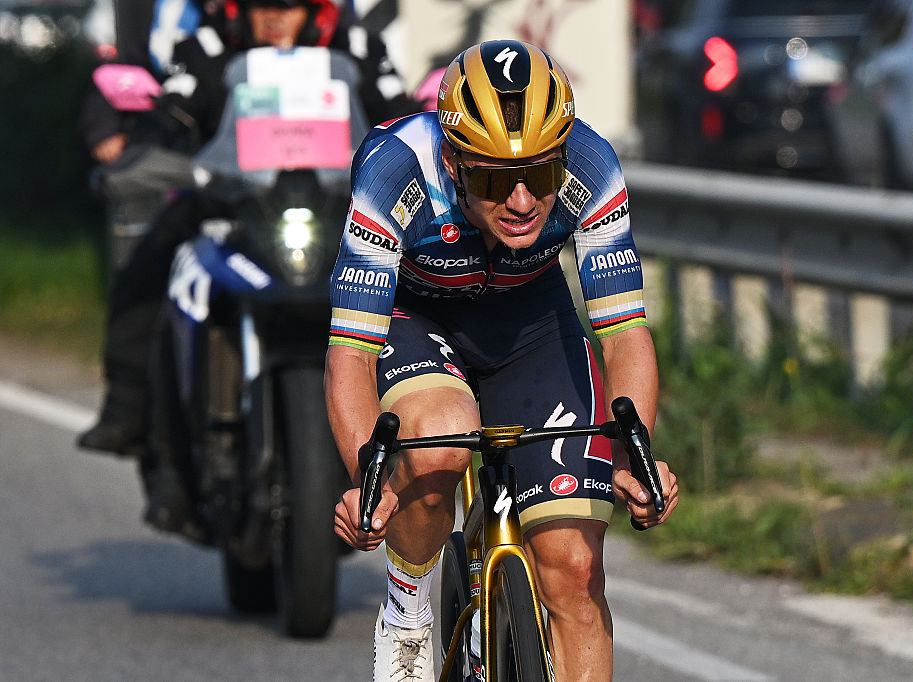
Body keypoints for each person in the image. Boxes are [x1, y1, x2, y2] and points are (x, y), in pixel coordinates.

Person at [327, 40, 680, 681]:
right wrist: (366, 483)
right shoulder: (392, 171)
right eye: (493, 180)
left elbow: (624, 333)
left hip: (530, 322)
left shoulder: (592, 165)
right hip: (417, 316)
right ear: (453, 162)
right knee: (439, 441)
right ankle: (408, 612)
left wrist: (634, 454)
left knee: (576, 569)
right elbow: (350, 351)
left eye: (541, 176)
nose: (521, 202)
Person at [77, 0, 421, 460]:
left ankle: (426, 419)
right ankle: (129, 412)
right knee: (151, 262)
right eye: (261, 5)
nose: (274, 17)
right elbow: (167, 118)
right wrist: (140, 151)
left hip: (336, 209)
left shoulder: (356, 45)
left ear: (316, 12)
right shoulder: (205, 46)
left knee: (422, 271)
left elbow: (404, 117)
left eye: (289, 6)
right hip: (228, 206)